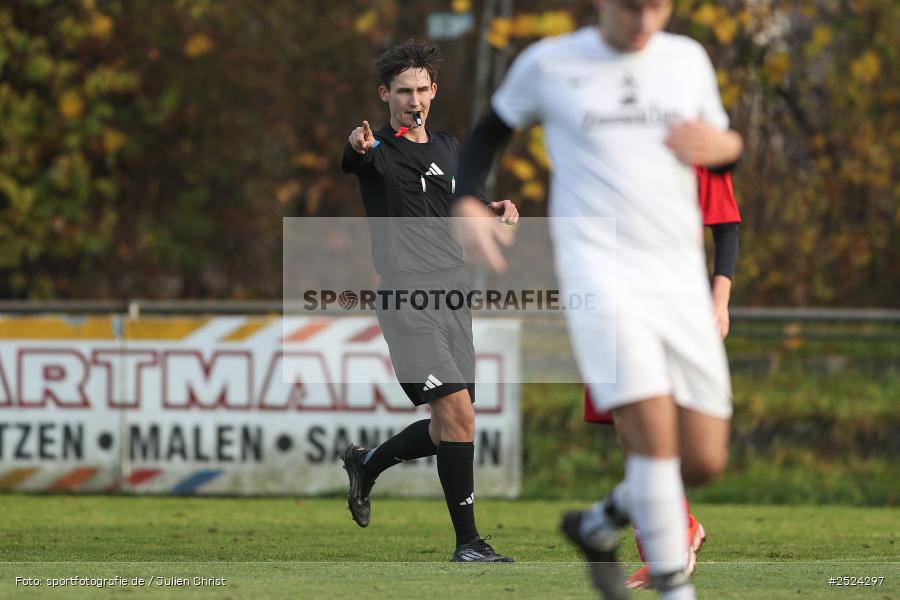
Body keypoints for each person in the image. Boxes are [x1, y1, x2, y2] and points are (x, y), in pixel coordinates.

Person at [453, 1, 743, 597]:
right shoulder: (550, 63)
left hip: (679, 280)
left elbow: (725, 146)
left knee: (704, 457)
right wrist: (465, 199)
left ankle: (598, 521)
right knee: (653, 439)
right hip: (601, 274)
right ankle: (673, 586)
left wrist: (726, 147)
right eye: (631, 5)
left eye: (656, 6)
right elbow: (488, 133)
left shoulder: (688, 60)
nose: (643, 18)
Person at [339, 38, 518, 563]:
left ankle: (367, 464)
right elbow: (353, 158)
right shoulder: (378, 151)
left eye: (420, 90)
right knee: (459, 414)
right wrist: (356, 145)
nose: (412, 100)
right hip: (406, 297)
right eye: (402, 91)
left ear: (433, 92)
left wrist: (494, 209)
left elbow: (459, 204)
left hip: (453, 297)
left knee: (450, 428)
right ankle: (468, 544)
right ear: (385, 95)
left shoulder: (449, 148)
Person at [584, 167, 742, 590]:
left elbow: (726, 225)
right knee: (630, 435)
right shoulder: (602, 138)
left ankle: (660, 535)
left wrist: (719, 300)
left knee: (684, 445)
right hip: (612, 305)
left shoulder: (689, 138)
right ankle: (667, 547)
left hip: (674, 309)